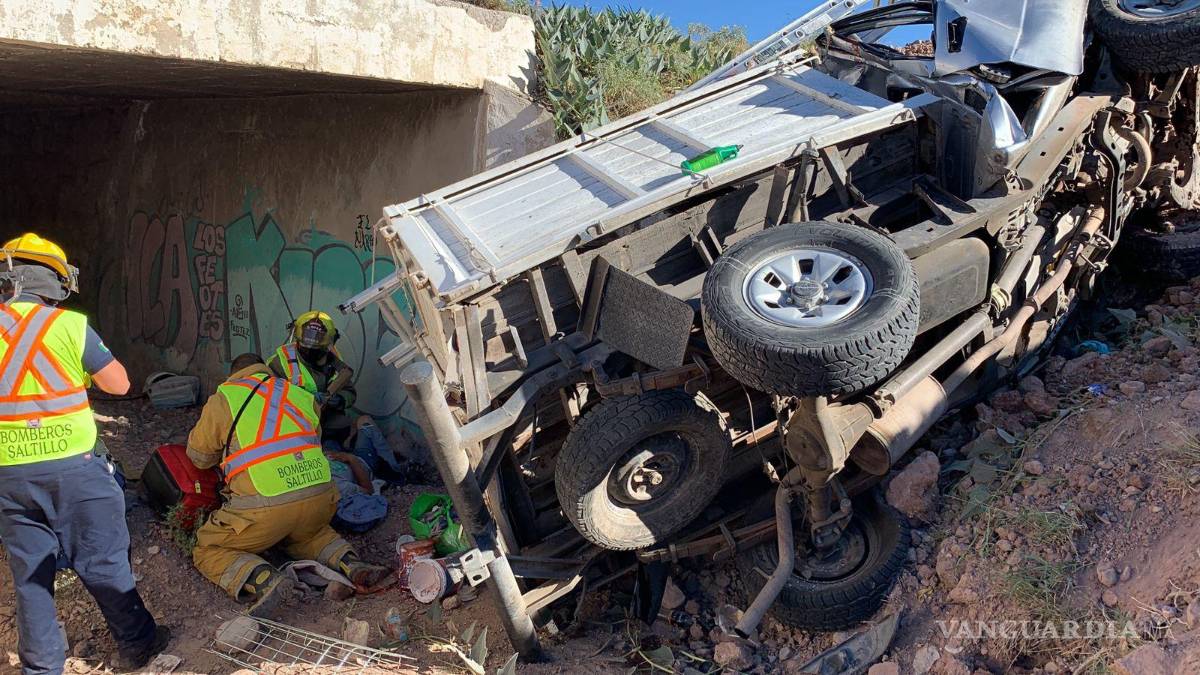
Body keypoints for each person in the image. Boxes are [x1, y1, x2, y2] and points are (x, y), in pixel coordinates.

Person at [0, 233, 168, 674]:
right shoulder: (69, 326)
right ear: (54, 280)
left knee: (31, 575)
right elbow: (120, 384)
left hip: (9, 473)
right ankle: (138, 643)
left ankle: (41, 667)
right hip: (75, 467)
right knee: (102, 558)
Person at [186, 353, 389, 616]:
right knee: (311, 534)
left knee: (208, 547)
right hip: (320, 498)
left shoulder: (226, 397)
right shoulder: (298, 394)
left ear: (233, 375)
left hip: (265, 507)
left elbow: (199, 457)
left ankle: (265, 580)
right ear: (265, 370)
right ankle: (351, 563)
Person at [266, 311, 357, 444]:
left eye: (317, 349)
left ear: (328, 345)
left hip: (324, 422)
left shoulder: (335, 362)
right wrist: (306, 399)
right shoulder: (280, 362)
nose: (310, 352)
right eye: (305, 347)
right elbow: (270, 399)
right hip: (291, 424)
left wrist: (340, 400)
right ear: (298, 341)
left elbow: (350, 392)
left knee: (342, 425)